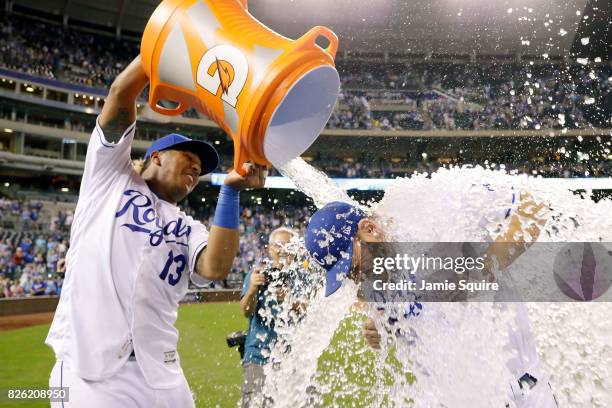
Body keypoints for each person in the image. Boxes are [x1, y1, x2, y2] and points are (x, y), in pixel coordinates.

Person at [45, 55, 267, 407]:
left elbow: (215, 267)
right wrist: (161, 50)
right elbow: (121, 92)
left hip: (161, 372)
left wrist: (231, 190)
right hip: (88, 373)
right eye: (188, 158)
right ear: (157, 156)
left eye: (200, 168)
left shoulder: (186, 225)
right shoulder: (109, 177)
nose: (196, 168)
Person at [304, 190, 557, 407]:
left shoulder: (435, 207)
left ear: (369, 229)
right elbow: (413, 315)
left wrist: (483, 270)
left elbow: (532, 208)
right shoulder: (376, 271)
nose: (356, 279)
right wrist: (384, 329)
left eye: (354, 267)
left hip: (521, 391)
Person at [239, 227, 306, 407]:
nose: (282, 250)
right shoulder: (258, 275)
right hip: (259, 357)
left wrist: (289, 300)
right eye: (277, 245)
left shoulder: (303, 276)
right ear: (269, 249)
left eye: (288, 245)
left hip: (296, 358)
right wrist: (253, 289)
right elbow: (246, 310)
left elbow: (311, 309)